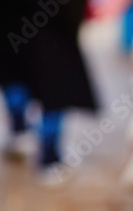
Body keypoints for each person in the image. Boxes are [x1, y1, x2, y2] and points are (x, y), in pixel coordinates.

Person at [0, 1, 97, 183]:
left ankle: (20, 132)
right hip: (51, 34)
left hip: (13, 27)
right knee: (53, 93)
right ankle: (49, 159)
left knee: (15, 78)